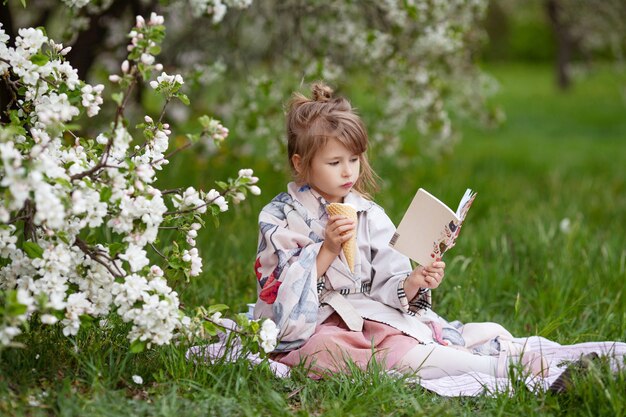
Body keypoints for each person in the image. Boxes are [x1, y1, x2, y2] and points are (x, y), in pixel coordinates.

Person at [253, 82, 547, 380]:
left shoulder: (370, 215)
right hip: (319, 326)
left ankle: (493, 366)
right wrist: (327, 250)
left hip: (371, 318)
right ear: (300, 163)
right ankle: (484, 364)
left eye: (354, 160)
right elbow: (278, 290)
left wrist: (414, 281)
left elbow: (388, 279)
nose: (348, 172)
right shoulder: (280, 217)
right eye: (335, 162)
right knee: (325, 351)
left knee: (396, 344)